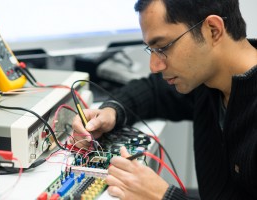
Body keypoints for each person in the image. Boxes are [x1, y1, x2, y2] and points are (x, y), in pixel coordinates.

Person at [71, 0, 257, 199]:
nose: (154, 65)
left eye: (163, 47)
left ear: (212, 30)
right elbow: (154, 91)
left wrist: (163, 196)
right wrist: (110, 112)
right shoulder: (209, 82)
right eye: (151, 50)